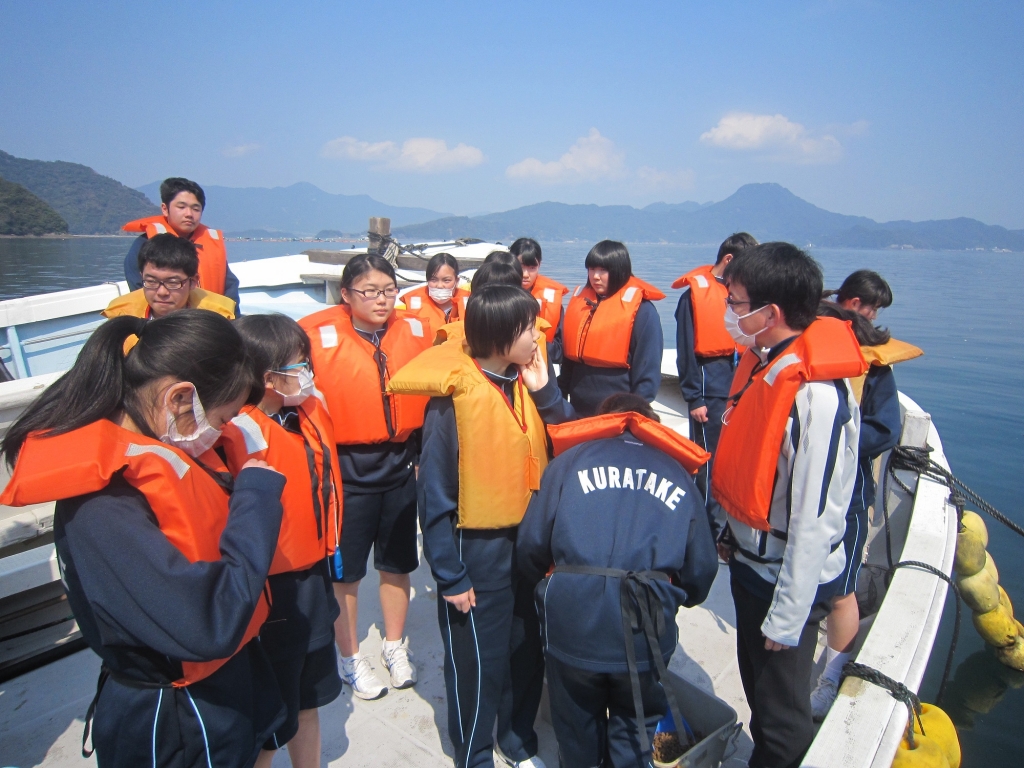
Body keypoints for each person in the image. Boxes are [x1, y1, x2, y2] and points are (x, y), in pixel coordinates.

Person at [0, 310, 287, 767]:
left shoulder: (162, 450)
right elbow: (207, 625)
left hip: (229, 680)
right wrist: (255, 499)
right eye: (221, 419)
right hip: (177, 716)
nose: (221, 433)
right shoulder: (104, 505)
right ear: (179, 398)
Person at [711, 243, 866, 768]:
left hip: (782, 583)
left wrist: (788, 616)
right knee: (758, 691)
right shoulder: (765, 365)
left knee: (781, 721)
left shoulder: (815, 397)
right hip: (750, 564)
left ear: (770, 313)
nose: (729, 313)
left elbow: (816, 515)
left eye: (736, 303)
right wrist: (730, 532)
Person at [389, 285, 550, 768]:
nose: (538, 336)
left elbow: (565, 441)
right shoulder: (451, 404)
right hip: (477, 552)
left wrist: (548, 391)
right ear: (500, 337)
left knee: (526, 648)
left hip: (528, 546)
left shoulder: (526, 383)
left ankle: (517, 737)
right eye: (528, 328)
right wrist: (449, 574)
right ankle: (474, 753)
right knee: (477, 660)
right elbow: (434, 495)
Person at [517, 393, 718, 767]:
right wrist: (679, 595)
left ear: (602, 421)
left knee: (576, 728)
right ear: (653, 425)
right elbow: (701, 571)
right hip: (645, 630)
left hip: (573, 623)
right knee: (634, 729)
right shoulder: (679, 474)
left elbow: (530, 546)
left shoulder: (568, 464)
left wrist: (548, 587)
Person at [298, 254, 430, 700]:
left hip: (399, 466)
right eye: (370, 292)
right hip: (346, 473)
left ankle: (394, 645)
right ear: (346, 294)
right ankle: (350, 656)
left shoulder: (414, 332)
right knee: (347, 574)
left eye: (389, 290)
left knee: (397, 565)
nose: (382, 300)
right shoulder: (315, 340)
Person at [220, 314, 344, 768]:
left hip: (313, 576)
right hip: (272, 589)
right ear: (267, 377)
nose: (308, 371)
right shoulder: (235, 432)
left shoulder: (305, 411)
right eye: (299, 364)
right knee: (274, 714)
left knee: (309, 696)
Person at [808, 299, 921, 720]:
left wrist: (831, 441)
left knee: (841, 590)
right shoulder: (794, 364)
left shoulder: (872, 371)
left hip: (847, 492)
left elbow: (885, 429)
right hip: (798, 496)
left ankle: (830, 677)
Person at [672, 232, 758, 541]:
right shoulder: (692, 297)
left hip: (738, 388)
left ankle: (724, 523)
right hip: (709, 391)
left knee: (733, 459)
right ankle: (702, 530)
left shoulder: (742, 294)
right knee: (707, 461)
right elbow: (685, 350)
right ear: (729, 260)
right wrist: (694, 398)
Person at [558, 240, 665, 417]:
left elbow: (648, 369)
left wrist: (634, 414)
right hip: (578, 410)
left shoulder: (644, 311)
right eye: (592, 269)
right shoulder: (581, 304)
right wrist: (560, 401)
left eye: (603, 270)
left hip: (618, 412)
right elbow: (568, 364)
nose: (595, 276)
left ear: (620, 270)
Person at [123, 177, 241, 308]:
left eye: (196, 209)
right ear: (165, 209)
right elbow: (138, 289)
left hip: (208, 317)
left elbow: (230, 288)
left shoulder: (211, 246)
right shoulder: (144, 245)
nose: (189, 214)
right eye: (181, 207)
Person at [103, 233, 236, 321]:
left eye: (173, 283)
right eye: (151, 281)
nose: (162, 292)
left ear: (193, 282)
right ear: (141, 277)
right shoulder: (121, 315)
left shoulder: (218, 317)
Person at [511, 237, 568, 358]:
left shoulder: (552, 300)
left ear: (539, 265)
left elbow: (559, 349)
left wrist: (536, 345)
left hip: (541, 359)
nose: (525, 274)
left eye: (532, 268)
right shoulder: (497, 296)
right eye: (521, 266)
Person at [399, 252, 470, 326]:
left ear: (456, 281)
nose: (439, 285)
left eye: (446, 280)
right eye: (433, 279)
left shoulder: (471, 302)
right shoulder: (410, 303)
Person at [825, 269, 893, 321]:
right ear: (855, 303)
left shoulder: (822, 315)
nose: (874, 317)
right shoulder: (837, 329)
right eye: (874, 309)